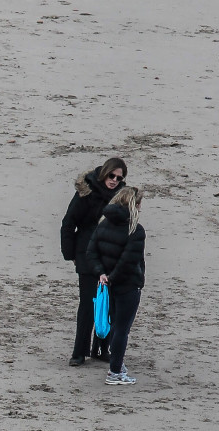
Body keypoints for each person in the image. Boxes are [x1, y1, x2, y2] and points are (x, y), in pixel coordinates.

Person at [61, 158, 127, 366]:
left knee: (107, 305)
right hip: (86, 255)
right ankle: (79, 353)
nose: (115, 180)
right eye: (112, 176)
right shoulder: (86, 192)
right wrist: (70, 254)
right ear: (104, 173)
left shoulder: (121, 196)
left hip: (110, 255)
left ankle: (100, 349)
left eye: (119, 178)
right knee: (88, 305)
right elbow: (68, 223)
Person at [81, 186, 146, 385]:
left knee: (114, 326)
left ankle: (117, 365)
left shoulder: (103, 225)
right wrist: (113, 277)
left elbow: (91, 253)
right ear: (134, 205)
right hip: (126, 285)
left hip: (108, 285)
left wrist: (102, 274)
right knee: (121, 329)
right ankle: (115, 371)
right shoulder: (135, 230)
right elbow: (128, 260)